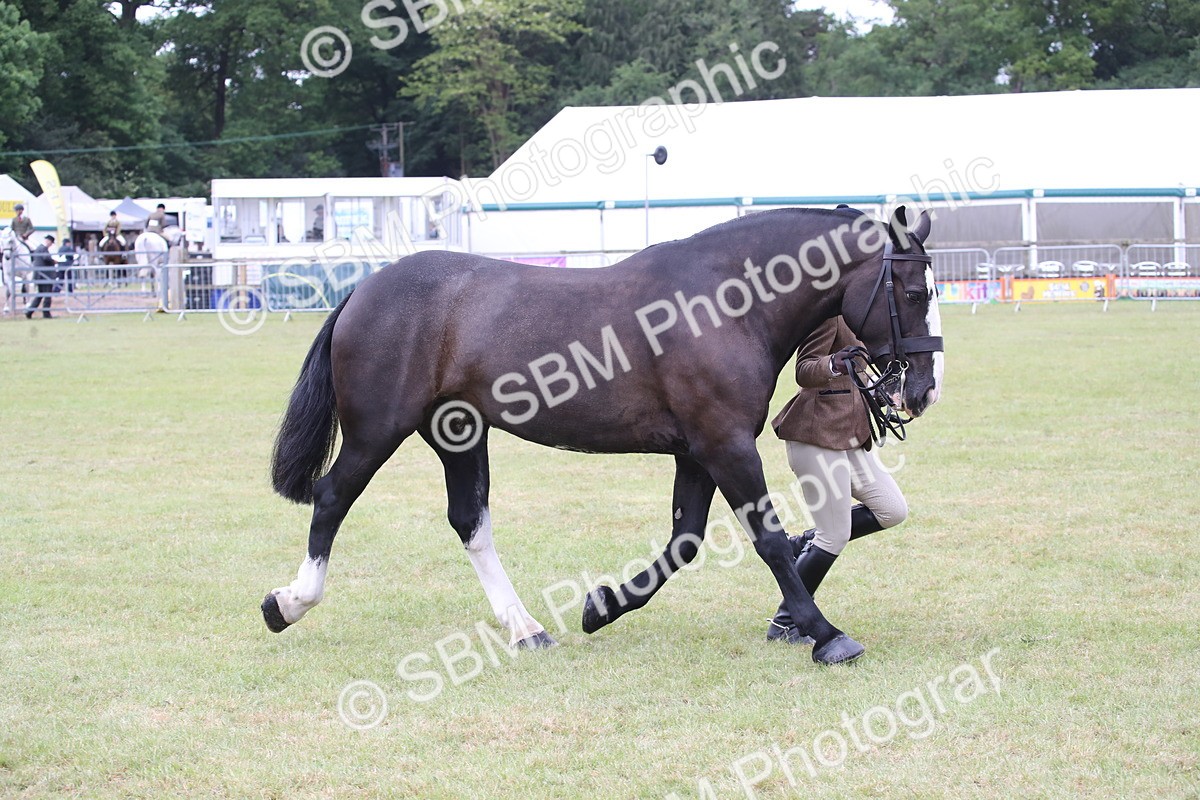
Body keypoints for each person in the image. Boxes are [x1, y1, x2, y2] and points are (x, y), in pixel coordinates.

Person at [765, 316, 909, 644]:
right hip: (815, 434)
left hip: (849, 433)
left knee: (893, 509)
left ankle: (805, 542)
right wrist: (835, 363)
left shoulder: (866, 316)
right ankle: (786, 623)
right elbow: (804, 369)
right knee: (835, 535)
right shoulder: (830, 314)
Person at [25, 235, 57, 319]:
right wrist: (54, 261)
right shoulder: (43, 249)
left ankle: (30, 311)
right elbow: (46, 258)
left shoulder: (39, 248)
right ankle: (46, 313)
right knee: (47, 295)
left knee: (40, 295)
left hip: (40, 276)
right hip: (45, 276)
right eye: (51, 243)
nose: (50, 245)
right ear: (49, 241)